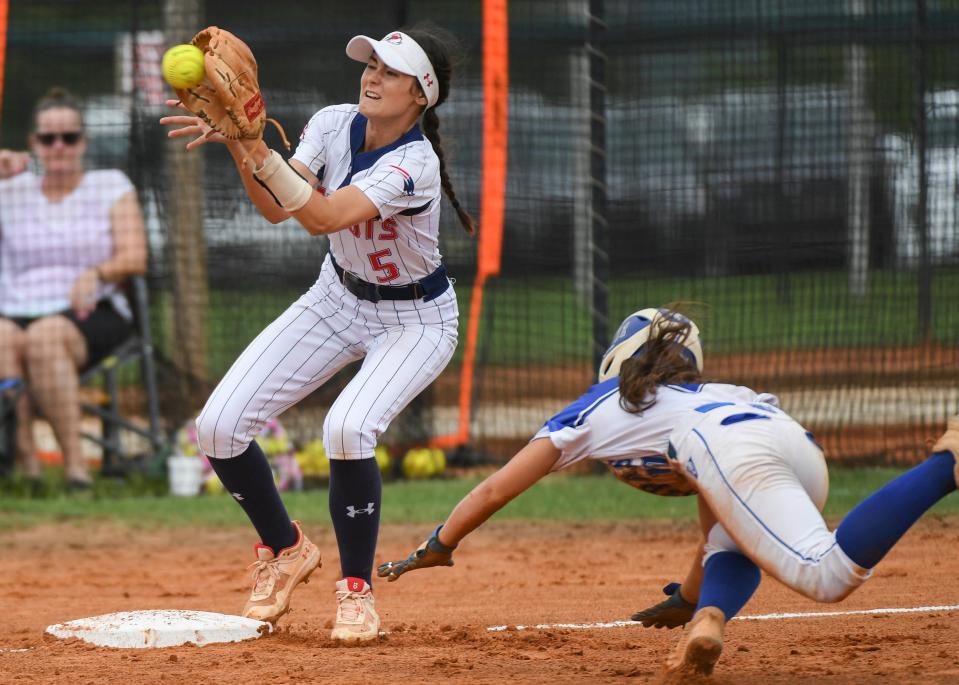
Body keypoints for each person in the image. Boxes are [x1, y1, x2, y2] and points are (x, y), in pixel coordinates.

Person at [376, 307, 959, 682]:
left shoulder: (598, 405)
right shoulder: (714, 392)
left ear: (618, 358)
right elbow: (721, 513)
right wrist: (689, 594)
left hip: (731, 451)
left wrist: (441, 541)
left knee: (827, 575)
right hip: (796, 447)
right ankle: (709, 620)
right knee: (734, 541)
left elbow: (498, 486)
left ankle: (948, 462)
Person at [160, 24, 474, 642]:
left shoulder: (415, 164)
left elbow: (322, 215)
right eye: (370, 65)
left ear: (421, 95)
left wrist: (258, 149)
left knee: (348, 428)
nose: (372, 76)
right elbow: (276, 206)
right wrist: (239, 141)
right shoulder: (334, 122)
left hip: (415, 320)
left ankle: (356, 591)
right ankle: (285, 548)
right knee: (218, 428)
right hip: (336, 298)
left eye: (390, 71)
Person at [0, 87, 148, 489]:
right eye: (48, 139)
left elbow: (136, 256)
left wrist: (98, 273)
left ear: (83, 141)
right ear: (33, 143)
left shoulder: (109, 185)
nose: (59, 147)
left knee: (44, 338)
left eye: (69, 137)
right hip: (15, 307)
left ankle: (75, 469)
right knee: (4, 338)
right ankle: (26, 466)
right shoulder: (9, 190)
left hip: (90, 308)